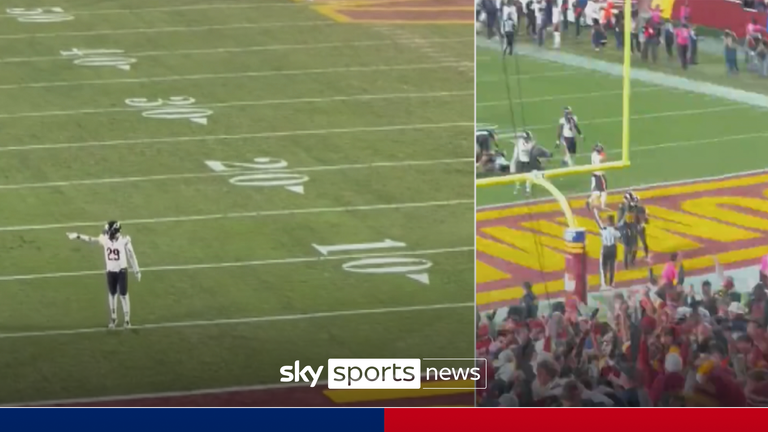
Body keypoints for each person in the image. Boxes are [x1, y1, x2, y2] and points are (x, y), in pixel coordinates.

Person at [66, 221, 141, 329]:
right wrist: (78, 236)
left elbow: (131, 255)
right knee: (112, 294)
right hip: (110, 271)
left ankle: (127, 320)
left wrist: (136, 270)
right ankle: (114, 318)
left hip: (121, 271)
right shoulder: (106, 239)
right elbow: (91, 240)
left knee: (123, 295)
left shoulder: (124, 240)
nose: (108, 234)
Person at [594, 211, 620, 289]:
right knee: (612, 267)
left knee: (603, 267)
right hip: (613, 248)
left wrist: (596, 214)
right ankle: (611, 284)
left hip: (605, 248)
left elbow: (599, 223)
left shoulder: (604, 229)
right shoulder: (615, 230)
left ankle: (604, 284)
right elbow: (619, 236)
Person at [586, 143, 608, 211]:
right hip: (600, 175)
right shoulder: (600, 157)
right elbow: (604, 159)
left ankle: (590, 200)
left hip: (594, 175)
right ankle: (603, 206)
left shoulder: (593, 155)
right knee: (603, 192)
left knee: (596, 192)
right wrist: (604, 155)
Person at [512, 130, 536, 195]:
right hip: (525, 162)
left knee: (523, 177)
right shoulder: (530, 144)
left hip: (521, 161)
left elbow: (515, 155)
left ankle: (519, 189)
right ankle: (524, 189)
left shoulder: (519, 143)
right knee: (527, 176)